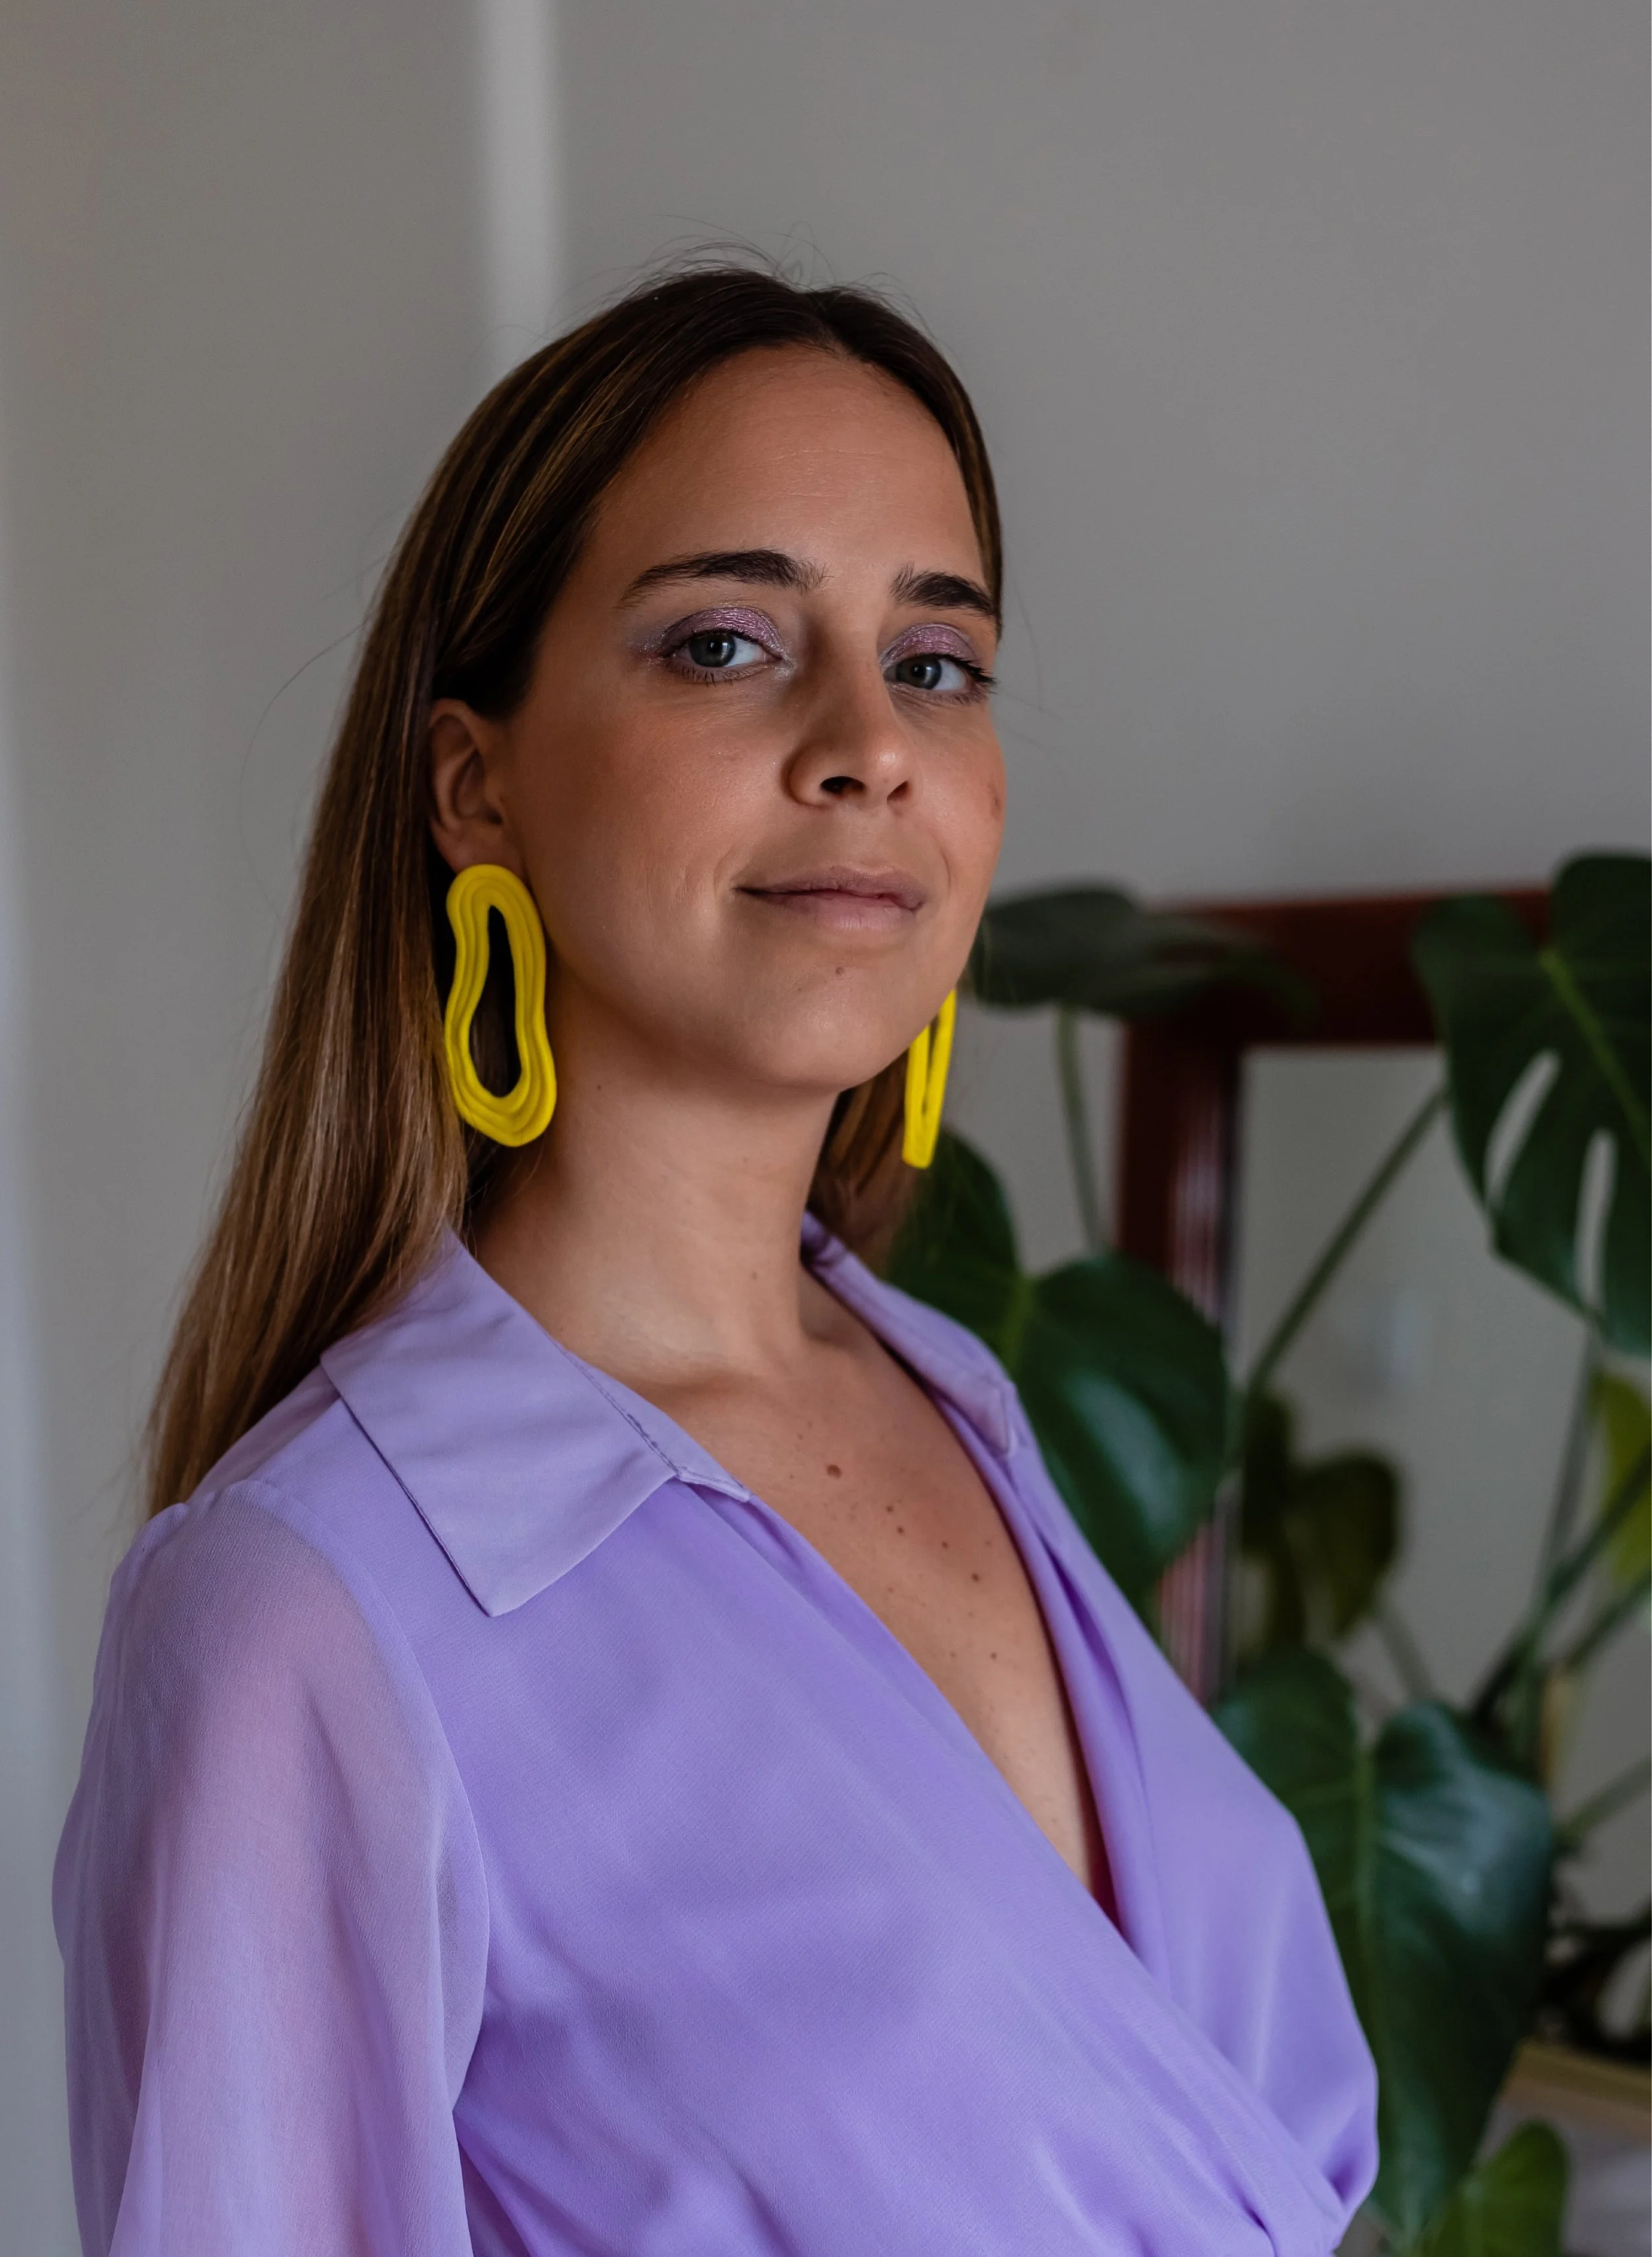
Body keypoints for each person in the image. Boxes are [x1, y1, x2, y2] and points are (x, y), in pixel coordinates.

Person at [54, 264, 1376, 2255]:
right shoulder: (310, 1608)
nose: (866, 745)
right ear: (472, 785)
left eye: (935, 661)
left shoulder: (955, 1394)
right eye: (727, 643)